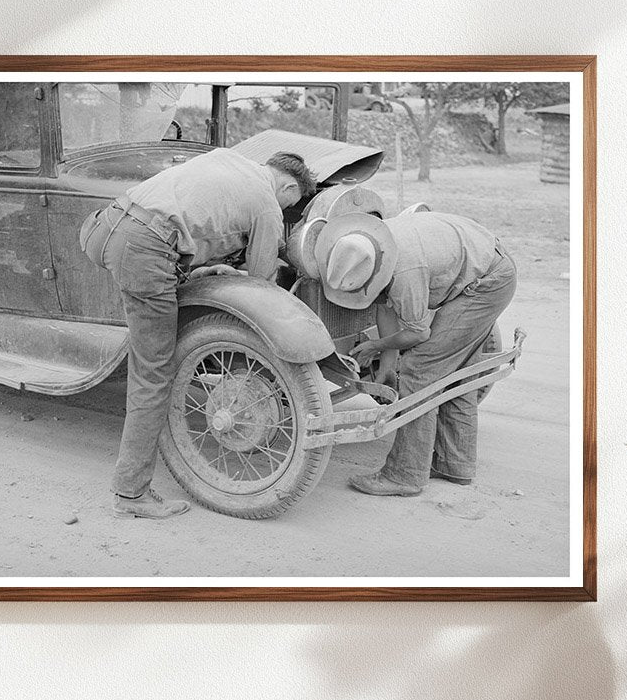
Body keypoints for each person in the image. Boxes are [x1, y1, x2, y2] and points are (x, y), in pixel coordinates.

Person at [79, 148, 317, 520]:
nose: (287, 208)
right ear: (288, 187)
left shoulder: (229, 159)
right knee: (153, 374)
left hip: (106, 225)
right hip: (145, 248)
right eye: (292, 202)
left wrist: (192, 272)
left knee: (155, 315)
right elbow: (261, 286)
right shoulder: (267, 203)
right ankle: (130, 494)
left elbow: (193, 213)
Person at [315, 207, 517, 497]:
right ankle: (454, 465)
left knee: (420, 370)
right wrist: (387, 366)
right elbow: (385, 307)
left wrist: (376, 346)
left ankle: (405, 475)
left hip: (487, 283)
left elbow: (418, 333)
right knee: (456, 374)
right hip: (486, 264)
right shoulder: (373, 244)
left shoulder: (405, 271)